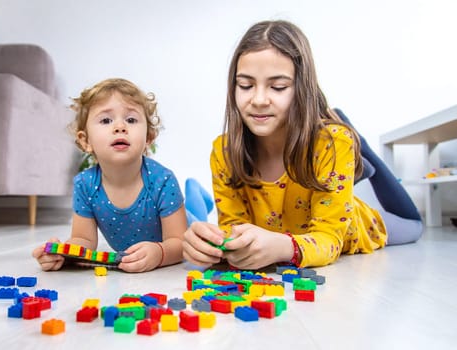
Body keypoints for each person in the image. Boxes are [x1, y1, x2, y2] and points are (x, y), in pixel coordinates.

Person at [182, 20, 423, 270]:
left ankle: (361, 147)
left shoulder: (332, 144)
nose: (259, 99)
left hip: (355, 225)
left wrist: (283, 247)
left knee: (414, 226)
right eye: (245, 85)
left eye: (278, 87)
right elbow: (235, 231)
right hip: (314, 182)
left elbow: (329, 239)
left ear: (302, 89)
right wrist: (215, 246)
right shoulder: (224, 153)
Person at [33, 78, 187, 272]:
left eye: (131, 120)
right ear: (85, 140)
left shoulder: (162, 180)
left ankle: (197, 197)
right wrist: (63, 253)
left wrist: (160, 252)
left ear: (148, 138)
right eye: (106, 120)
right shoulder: (85, 184)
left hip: (186, 223)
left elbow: (180, 243)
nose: (120, 127)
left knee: (197, 220)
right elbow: (84, 240)